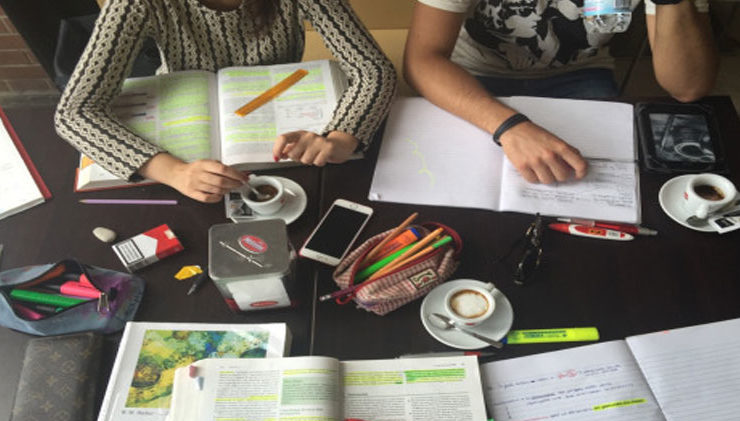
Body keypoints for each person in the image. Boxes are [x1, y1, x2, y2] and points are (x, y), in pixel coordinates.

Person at [55, 0, 397, 203]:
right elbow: (74, 112)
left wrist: (340, 137)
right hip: (186, 141)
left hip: (280, 133)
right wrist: (174, 172)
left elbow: (373, 69)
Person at [403, 0, 718, 184]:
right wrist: (509, 126)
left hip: (581, 73)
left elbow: (688, 88)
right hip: (473, 74)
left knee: (594, 183)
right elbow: (422, 60)